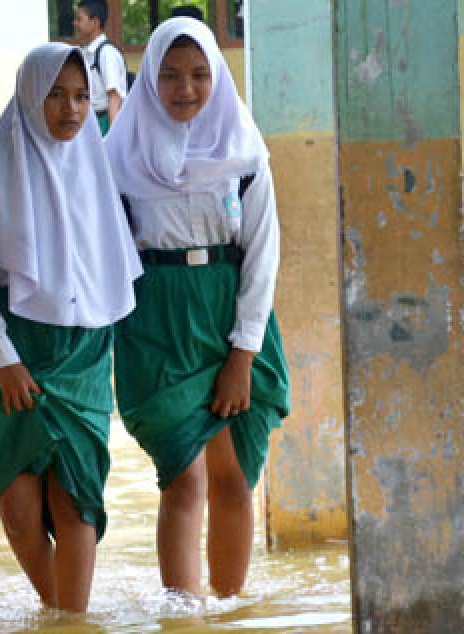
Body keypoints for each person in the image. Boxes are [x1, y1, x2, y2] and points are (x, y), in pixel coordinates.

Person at [0, 43, 142, 612]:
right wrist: (3, 360)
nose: (71, 109)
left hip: (80, 349)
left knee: (77, 495)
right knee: (18, 510)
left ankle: (68, 621)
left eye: (82, 95)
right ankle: (60, 612)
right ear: (30, 94)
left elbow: (110, 268)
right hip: (10, 348)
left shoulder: (95, 165)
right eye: (55, 94)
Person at [104, 18, 290, 598]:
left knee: (234, 482)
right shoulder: (117, 157)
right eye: (170, 75)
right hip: (154, 323)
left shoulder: (245, 150)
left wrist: (243, 352)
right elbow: (99, 253)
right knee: (181, 478)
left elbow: (262, 253)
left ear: (218, 76)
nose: (185, 88)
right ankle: (183, 617)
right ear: (148, 79)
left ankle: (229, 611)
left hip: (228, 315)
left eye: (199, 74)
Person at [73, 0, 128, 134]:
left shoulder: (106, 54)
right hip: (90, 122)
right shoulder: (86, 52)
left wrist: (113, 137)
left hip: (103, 122)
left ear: (95, 22)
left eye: (79, 19)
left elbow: (114, 98)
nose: (75, 24)